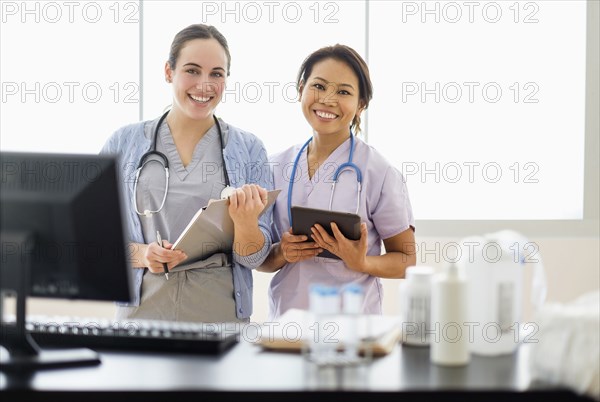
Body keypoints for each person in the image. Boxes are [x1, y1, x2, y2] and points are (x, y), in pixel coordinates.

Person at [101, 24, 272, 323]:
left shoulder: (250, 149)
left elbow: (255, 258)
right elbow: (94, 241)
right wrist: (143, 255)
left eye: (216, 74)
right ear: (169, 72)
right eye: (192, 70)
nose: (205, 84)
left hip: (219, 311)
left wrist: (246, 224)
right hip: (143, 311)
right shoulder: (123, 143)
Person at [259, 44, 416, 320]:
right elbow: (258, 258)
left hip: (354, 327)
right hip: (288, 322)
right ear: (300, 90)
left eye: (343, 91)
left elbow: (406, 261)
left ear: (360, 106)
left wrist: (362, 261)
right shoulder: (274, 166)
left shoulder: (379, 172)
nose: (328, 99)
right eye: (318, 86)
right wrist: (281, 252)